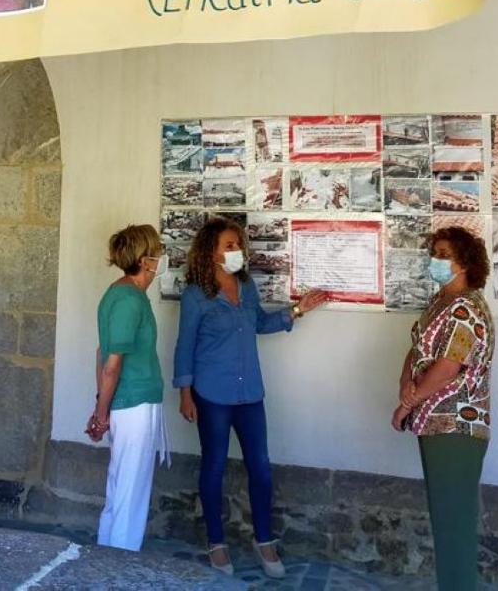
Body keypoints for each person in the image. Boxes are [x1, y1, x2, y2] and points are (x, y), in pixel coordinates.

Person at [173, 216, 328, 578]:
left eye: (238, 244)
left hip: (249, 393)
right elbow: (185, 345)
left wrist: (297, 310)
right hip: (211, 393)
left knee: (260, 466)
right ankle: (217, 543)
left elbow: (259, 323)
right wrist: (185, 392)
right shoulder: (196, 294)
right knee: (214, 466)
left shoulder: (247, 286)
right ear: (210, 252)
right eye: (229, 245)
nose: (237, 251)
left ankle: (264, 541)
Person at [391, 226, 495, 591]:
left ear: (465, 262)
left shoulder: (466, 308)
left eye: (443, 254)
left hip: (456, 429)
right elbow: (418, 350)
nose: (435, 260)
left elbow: (448, 366)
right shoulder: (441, 301)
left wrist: (409, 402)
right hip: (433, 423)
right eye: (433, 253)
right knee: (445, 519)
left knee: (454, 526)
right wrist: (407, 385)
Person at [86, 224, 169, 552]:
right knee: (130, 494)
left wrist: (101, 408)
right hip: (134, 405)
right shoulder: (129, 299)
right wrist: (101, 412)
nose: (162, 256)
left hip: (128, 403)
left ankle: (106, 558)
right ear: (145, 258)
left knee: (121, 488)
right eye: (158, 250)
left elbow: (101, 353)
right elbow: (111, 362)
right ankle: (119, 568)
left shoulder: (122, 295)